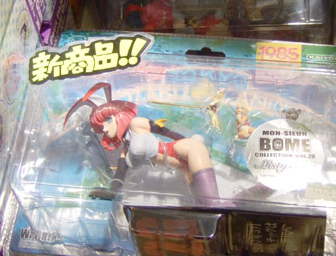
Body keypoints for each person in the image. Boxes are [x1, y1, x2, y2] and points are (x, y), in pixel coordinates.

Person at [64, 82, 220, 205]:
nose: (104, 128)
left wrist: (187, 140)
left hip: (176, 149)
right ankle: (205, 208)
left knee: (196, 149)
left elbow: (166, 132)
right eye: (100, 127)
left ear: (119, 115)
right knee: (195, 191)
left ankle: (214, 204)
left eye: (108, 120)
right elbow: (119, 178)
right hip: (178, 162)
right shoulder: (125, 148)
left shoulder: (136, 124)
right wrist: (109, 193)